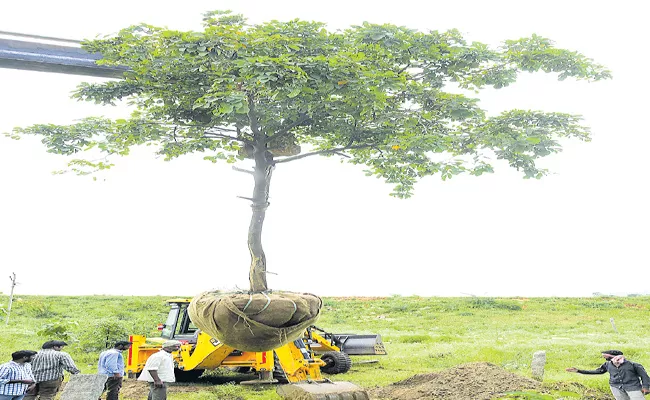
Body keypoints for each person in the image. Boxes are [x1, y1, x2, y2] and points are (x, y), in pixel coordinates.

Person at [566, 350, 650, 400]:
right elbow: (598, 371)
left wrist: (646, 387)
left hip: (633, 387)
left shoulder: (633, 365)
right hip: (616, 387)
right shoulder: (607, 364)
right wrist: (578, 371)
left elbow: (644, 376)